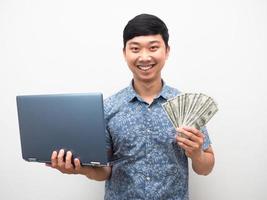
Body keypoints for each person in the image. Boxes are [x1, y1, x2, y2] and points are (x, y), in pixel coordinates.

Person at [47, 13, 215, 200]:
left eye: (153, 47)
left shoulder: (186, 106)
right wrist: (81, 169)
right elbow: (105, 171)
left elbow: (206, 167)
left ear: (166, 51)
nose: (144, 57)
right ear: (124, 53)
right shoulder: (107, 108)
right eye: (135, 48)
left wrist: (197, 154)